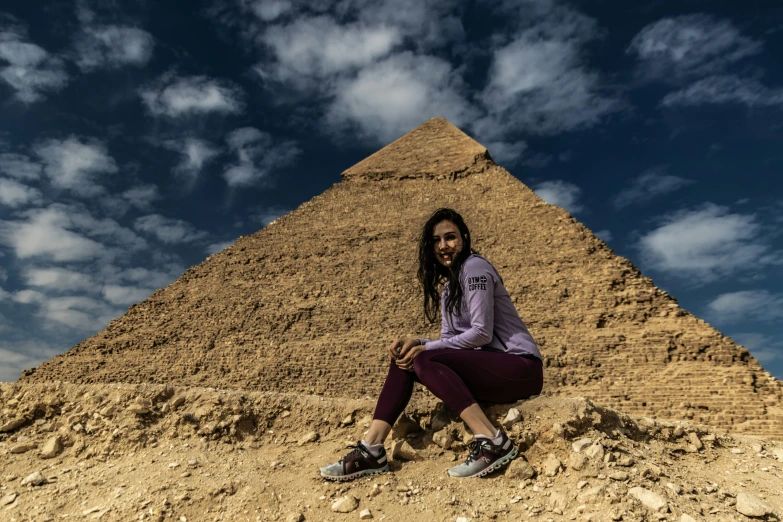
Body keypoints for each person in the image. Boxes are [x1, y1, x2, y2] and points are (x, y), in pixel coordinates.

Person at [319, 208, 543, 481]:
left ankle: (492, 441)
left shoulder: (475, 267)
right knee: (407, 357)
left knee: (423, 358)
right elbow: (449, 343)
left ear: (464, 237)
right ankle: (371, 450)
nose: (443, 246)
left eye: (450, 238)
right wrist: (418, 342)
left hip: (519, 367)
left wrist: (425, 349)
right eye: (436, 241)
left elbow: (481, 334)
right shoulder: (449, 289)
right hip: (489, 369)